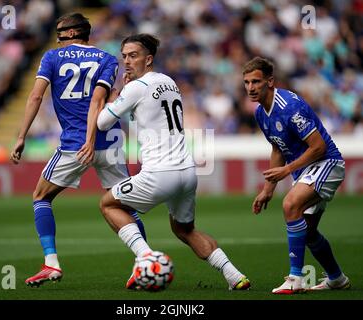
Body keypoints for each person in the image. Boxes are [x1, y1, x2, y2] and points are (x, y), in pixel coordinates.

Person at [95, 33, 250, 291]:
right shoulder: (169, 82)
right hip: (186, 172)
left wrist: (115, 96)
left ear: (149, 58)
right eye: (124, 56)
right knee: (184, 230)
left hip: (159, 172)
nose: (127, 62)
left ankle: (146, 257)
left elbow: (102, 122)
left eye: (133, 56)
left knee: (108, 204)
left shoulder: (135, 88)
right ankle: (234, 275)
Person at [10, 13, 147, 287]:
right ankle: (144, 262)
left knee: (40, 197)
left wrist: (21, 135)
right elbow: (106, 99)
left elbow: (36, 95)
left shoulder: (51, 58)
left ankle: (51, 263)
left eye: (61, 30)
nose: (58, 34)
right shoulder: (107, 59)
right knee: (125, 205)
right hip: (110, 143)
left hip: (76, 144)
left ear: (73, 33)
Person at [243, 56, 350, 294]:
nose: (250, 88)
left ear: (270, 82)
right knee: (309, 233)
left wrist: (287, 170)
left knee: (291, 204)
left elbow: (318, 146)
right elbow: (277, 147)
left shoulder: (289, 106)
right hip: (307, 169)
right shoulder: (261, 112)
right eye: (247, 82)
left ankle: (295, 278)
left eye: (256, 82)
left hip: (327, 163)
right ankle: (337, 278)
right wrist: (267, 189)